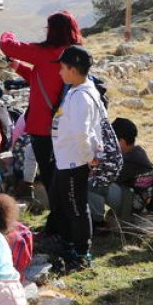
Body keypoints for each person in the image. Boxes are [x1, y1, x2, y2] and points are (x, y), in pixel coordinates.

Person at [0, 11, 83, 238]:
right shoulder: (71, 54)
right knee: (58, 178)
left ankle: (59, 227)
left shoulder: (45, 52)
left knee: (50, 179)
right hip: (64, 128)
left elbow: (6, 44)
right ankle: (58, 223)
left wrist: (9, 32)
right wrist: (17, 66)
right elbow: (41, 77)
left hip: (42, 128)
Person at [50, 45, 106, 271]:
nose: (60, 72)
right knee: (65, 203)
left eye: (63, 68)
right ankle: (68, 242)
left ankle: (82, 252)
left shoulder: (81, 96)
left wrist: (88, 157)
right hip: (67, 159)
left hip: (75, 161)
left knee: (77, 207)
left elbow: (83, 132)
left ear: (73, 69)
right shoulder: (80, 90)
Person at [89, 117, 153, 226]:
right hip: (135, 199)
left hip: (132, 203)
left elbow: (104, 176)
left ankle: (98, 222)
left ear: (122, 141)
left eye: (112, 140)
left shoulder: (128, 159)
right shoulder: (136, 152)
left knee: (93, 184)